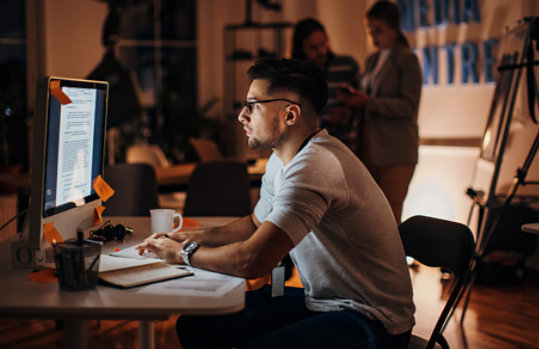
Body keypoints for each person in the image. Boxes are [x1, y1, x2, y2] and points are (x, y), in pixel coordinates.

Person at [136, 58, 414, 349]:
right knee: (197, 325)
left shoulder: (315, 165)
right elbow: (255, 224)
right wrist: (189, 237)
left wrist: (183, 252)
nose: (242, 116)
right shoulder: (280, 160)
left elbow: (252, 260)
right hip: (323, 301)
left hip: (372, 320)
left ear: (290, 115)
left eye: (253, 105)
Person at [337, 1, 422, 224]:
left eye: (378, 31)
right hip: (370, 148)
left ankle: (391, 260)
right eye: (369, 31)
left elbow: (409, 106)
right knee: (370, 216)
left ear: (394, 29)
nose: (373, 37)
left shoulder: (406, 60)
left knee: (390, 217)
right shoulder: (372, 59)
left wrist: (368, 101)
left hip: (396, 150)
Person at [292, 18, 360, 152]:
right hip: (310, 148)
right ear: (301, 48)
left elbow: (363, 105)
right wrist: (327, 119)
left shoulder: (347, 66)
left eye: (323, 44)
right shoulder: (294, 75)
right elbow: (292, 117)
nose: (321, 51)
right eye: (313, 48)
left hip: (348, 147)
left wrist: (349, 110)